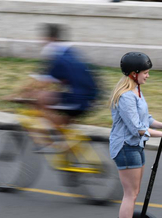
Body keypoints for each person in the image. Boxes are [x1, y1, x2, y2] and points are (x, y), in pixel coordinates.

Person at [109, 52, 162, 218]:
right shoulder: (126, 96)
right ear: (134, 73)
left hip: (136, 147)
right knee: (130, 194)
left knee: (135, 192)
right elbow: (137, 128)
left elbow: (145, 119)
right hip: (125, 148)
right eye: (145, 72)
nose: (148, 75)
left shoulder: (136, 91)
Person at [12, 24, 99, 152]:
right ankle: (67, 145)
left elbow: (40, 82)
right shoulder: (69, 51)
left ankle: (51, 143)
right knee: (60, 117)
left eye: (43, 38)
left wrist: (16, 95)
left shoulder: (55, 54)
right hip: (91, 96)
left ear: (49, 38)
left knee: (39, 100)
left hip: (80, 99)